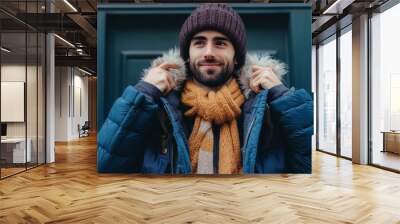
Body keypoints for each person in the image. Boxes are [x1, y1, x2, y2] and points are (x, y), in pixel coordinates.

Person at [97, 3, 313, 174]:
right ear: (187, 56)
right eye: (199, 43)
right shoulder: (161, 105)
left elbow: (304, 167)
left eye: (220, 43)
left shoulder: (263, 107)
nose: (208, 52)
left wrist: (281, 95)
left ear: (237, 58)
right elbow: (108, 165)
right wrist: (143, 92)